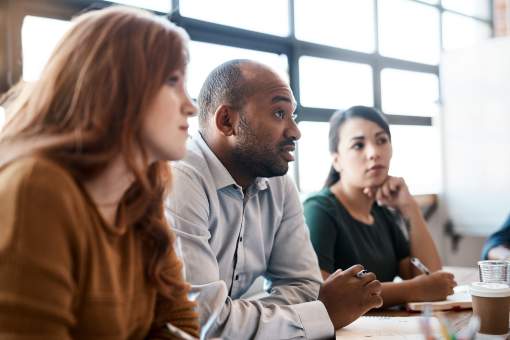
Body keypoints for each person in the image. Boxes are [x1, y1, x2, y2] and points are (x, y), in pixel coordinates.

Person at [0, 6, 199, 339]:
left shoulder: (139, 199)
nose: (189, 105)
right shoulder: (37, 188)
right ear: (114, 85)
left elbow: (181, 325)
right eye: (171, 81)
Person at [165, 60, 383, 340]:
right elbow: (204, 324)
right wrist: (320, 313)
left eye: (294, 116)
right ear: (226, 121)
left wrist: (236, 316)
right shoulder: (180, 177)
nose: (295, 131)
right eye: (279, 113)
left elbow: (305, 285)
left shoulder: (278, 182)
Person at [303, 106, 457, 308]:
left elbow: (429, 277)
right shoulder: (319, 209)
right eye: (358, 145)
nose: (374, 152)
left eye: (382, 140)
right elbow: (319, 293)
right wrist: (414, 289)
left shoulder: (382, 212)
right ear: (337, 160)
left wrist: (410, 208)